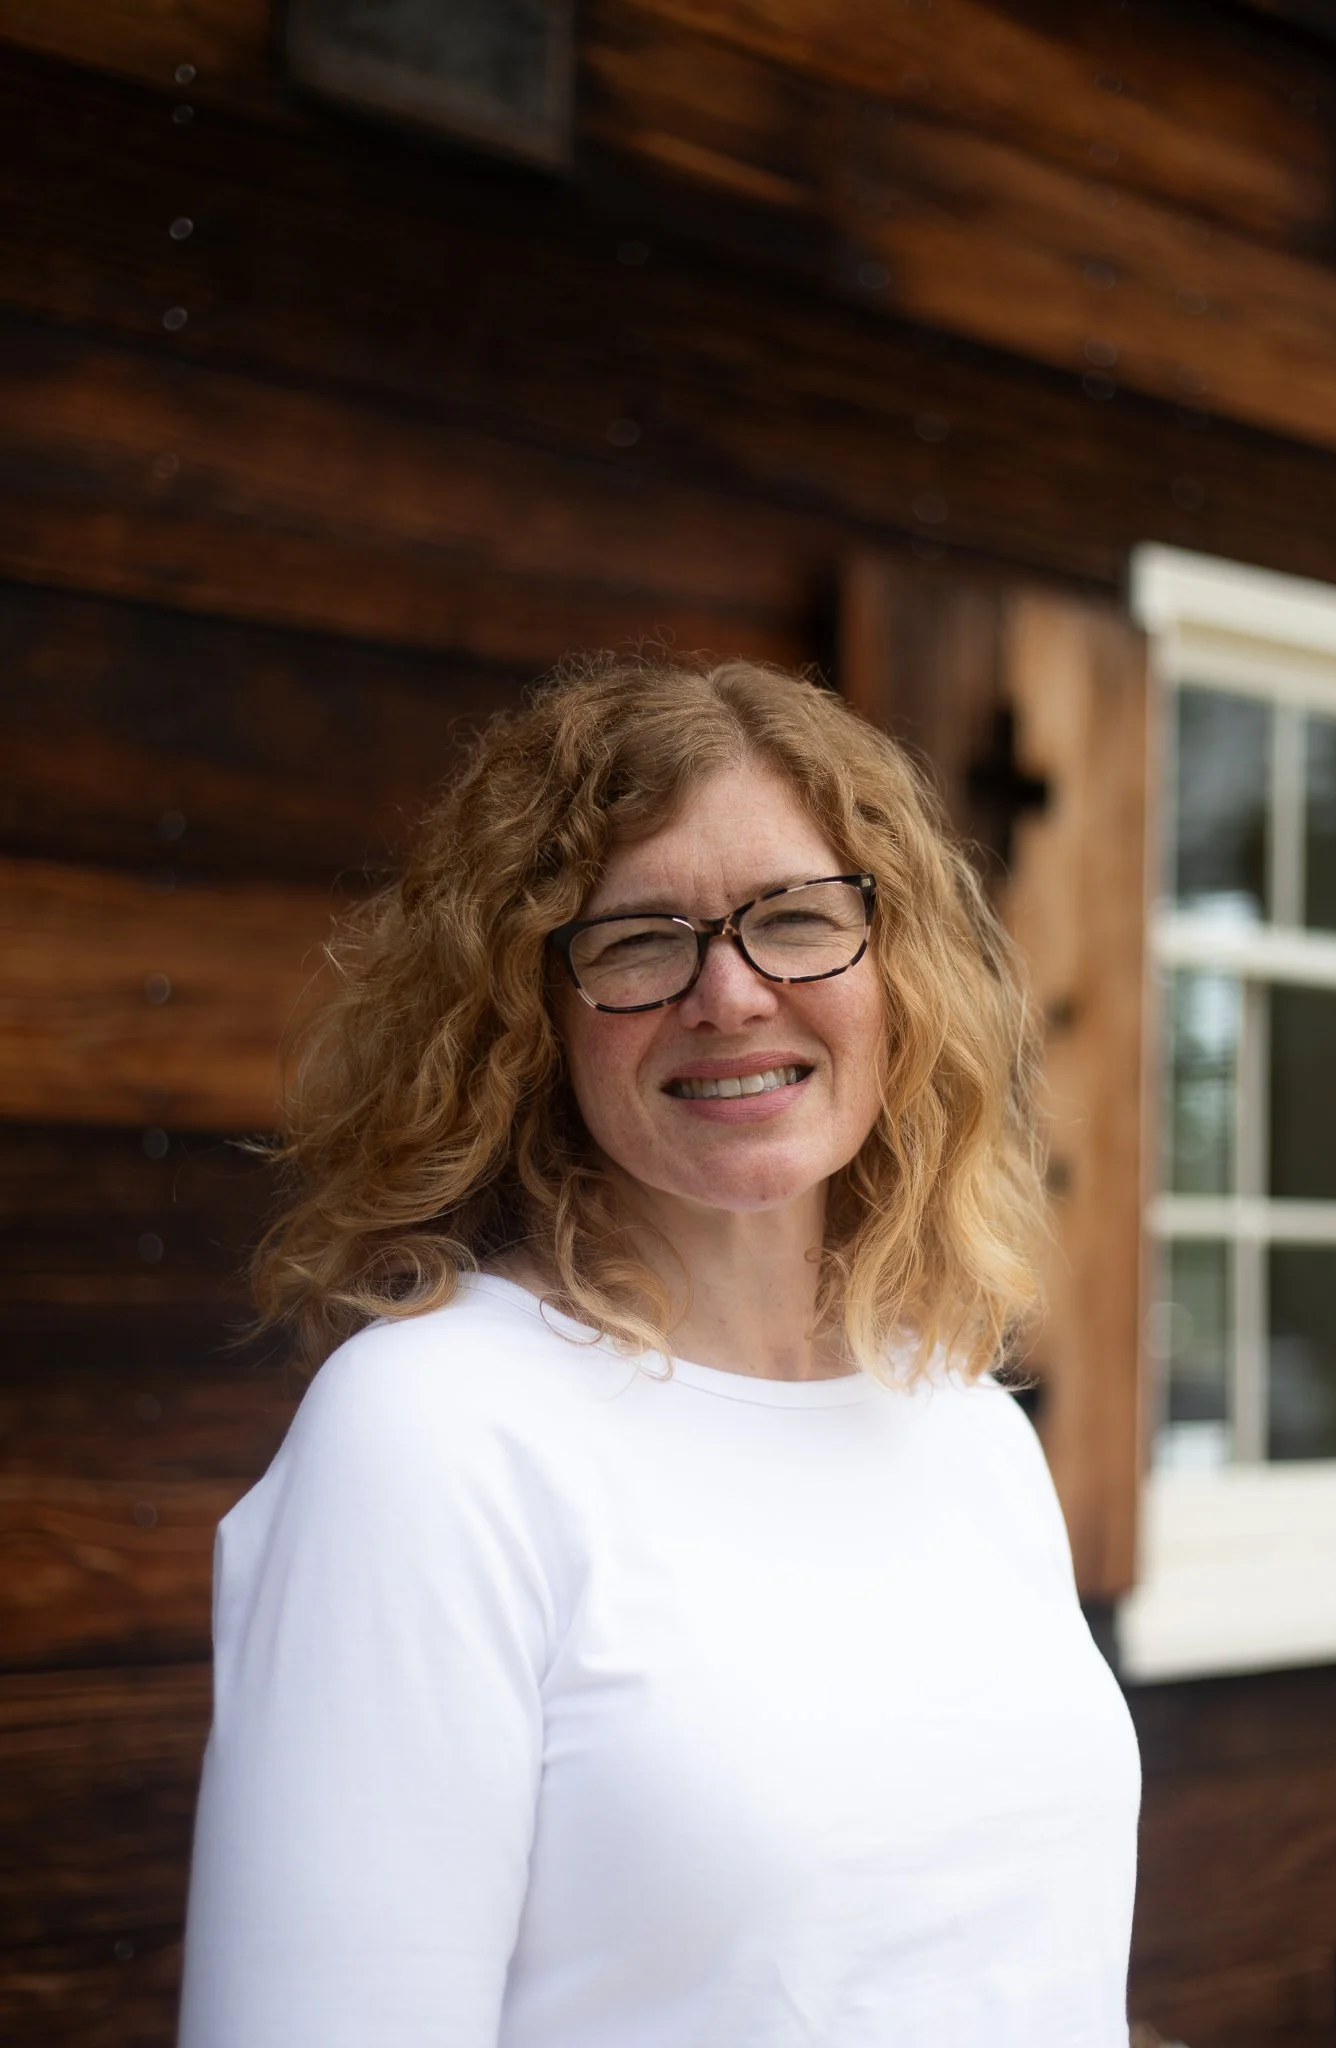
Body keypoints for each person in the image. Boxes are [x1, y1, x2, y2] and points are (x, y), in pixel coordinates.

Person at [178, 655, 1140, 2048]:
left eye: (798, 920)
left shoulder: (965, 1424)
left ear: (899, 976)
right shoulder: (434, 1434)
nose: (731, 995)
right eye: (639, 940)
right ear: (530, 1020)